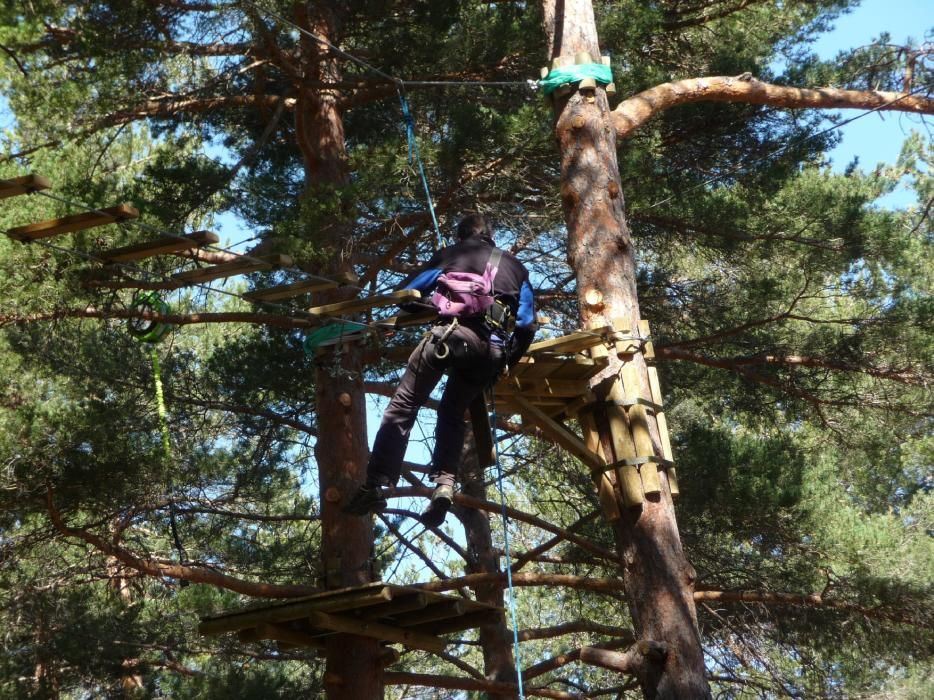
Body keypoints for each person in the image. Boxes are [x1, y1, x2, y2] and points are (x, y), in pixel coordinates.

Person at [344, 214, 536, 526]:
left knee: (405, 402)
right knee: (451, 411)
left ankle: (376, 482)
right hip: (489, 352)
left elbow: (407, 292)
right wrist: (505, 363)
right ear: (491, 237)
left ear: (462, 237)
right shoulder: (517, 268)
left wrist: (429, 303)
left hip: (448, 337)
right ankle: (445, 483)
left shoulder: (451, 254)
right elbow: (527, 325)